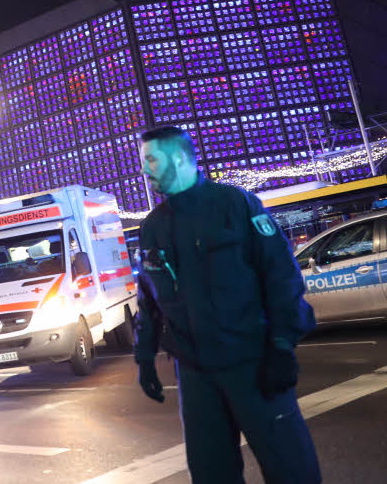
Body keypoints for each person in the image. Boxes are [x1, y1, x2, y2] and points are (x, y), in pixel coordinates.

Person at [134, 126, 321, 484]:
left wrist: (282, 345)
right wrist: (144, 358)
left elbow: (281, 277)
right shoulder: (153, 227)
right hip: (195, 375)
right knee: (211, 474)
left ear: (177, 158)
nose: (144, 170)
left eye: (150, 160)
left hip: (253, 363)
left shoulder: (237, 205)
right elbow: (149, 299)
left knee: (292, 470)